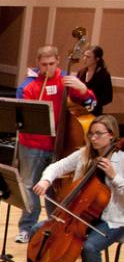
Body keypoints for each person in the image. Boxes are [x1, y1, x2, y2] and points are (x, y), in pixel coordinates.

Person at [11, 115, 124, 262]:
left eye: (99, 134)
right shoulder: (84, 154)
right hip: (79, 215)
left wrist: (115, 177)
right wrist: (46, 180)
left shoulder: (121, 161)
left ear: (111, 135)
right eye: (91, 134)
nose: (93, 138)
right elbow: (57, 166)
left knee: (90, 247)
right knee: (38, 229)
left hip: (112, 220)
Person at [15, 45, 97, 244]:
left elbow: (90, 105)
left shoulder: (67, 81)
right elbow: (20, 116)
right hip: (32, 145)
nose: (48, 69)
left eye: (51, 64)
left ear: (58, 61)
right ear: (38, 63)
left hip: (60, 145)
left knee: (54, 189)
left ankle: (55, 225)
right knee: (29, 186)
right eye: (44, 65)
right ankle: (26, 228)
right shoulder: (28, 85)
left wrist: (83, 89)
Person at [77, 46, 112, 115]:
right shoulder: (81, 72)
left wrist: (92, 104)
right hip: (80, 110)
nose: (84, 59)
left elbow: (108, 97)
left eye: (88, 57)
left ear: (97, 59)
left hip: (94, 112)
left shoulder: (104, 75)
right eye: (84, 56)